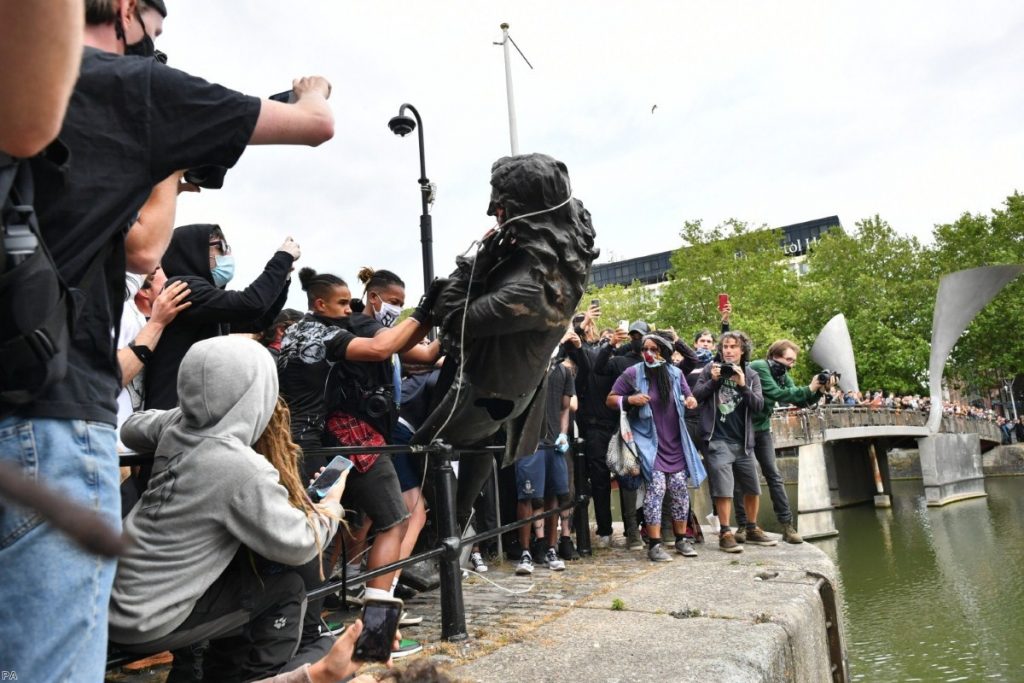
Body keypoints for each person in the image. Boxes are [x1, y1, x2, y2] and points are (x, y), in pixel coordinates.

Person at [0, 1, 335, 676]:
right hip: (53, 416)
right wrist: (311, 90)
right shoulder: (136, 89)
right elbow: (315, 127)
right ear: (129, 10)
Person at [110, 336, 344, 682]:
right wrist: (330, 506)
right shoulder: (241, 467)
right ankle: (259, 677)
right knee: (286, 589)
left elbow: (131, 428)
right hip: (148, 618)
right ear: (258, 392)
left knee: (239, 583)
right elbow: (299, 543)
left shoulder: (178, 428)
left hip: (120, 596)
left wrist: (199, 410)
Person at [276, 267, 441, 656]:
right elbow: (382, 348)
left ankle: (306, 631)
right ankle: (375, 634)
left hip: (297, 443)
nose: (348, 308)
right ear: (319, 303)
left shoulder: (300, 329)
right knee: (393, 520)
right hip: (336, 436)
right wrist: (426, 308)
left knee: (318, 530)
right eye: (341, 302)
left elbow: (406, 348)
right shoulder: (332, 332)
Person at [144, 224, 297, 409]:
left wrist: (283, 279)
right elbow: (251, 304)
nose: (227, 256)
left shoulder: (204, 299)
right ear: (194, 252)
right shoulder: (184, 288)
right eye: (221, 248)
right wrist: (282, 259)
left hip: (185, 411)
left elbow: (258, 320)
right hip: (172, 412)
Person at [607, 334, 705, 561]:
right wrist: (629, 400)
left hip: (675, 442)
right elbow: (611, 399)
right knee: (657, 490)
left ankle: (681, 540)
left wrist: (691, 401)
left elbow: (689, 398)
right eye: (645, 349)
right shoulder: (633, 373)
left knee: (680, 490)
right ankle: (654, 544)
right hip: (648, 443)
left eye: (654, 349)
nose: (649, 354)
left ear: (665, 352)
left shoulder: (675, 373)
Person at [739, 340, 825, 544]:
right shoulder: (760, 366)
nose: (791, 365)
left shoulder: (782, 374)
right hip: (743, 429)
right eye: (788, 360)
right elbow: (776, 394)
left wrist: (819, 390)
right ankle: (744, 526)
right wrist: (810, 387)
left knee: (774, 476)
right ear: (774, 357)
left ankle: (787, 526)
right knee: (746, 478)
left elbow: (800, 400)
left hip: (762, 429)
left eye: (793, 361)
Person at [692, 331, 768, 553]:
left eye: (733, 346)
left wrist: (743, 385)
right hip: (718, 439)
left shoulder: (752, 374)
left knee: (753, 487)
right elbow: (697, 395)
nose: (728, 350)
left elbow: (758, 406)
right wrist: (714, 382)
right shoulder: (710, 370)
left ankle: (751, 528)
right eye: (725, 346)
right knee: (723, 489)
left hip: (744, 442)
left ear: (742, 350)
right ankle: (725, 532)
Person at [514, 354, 575, 575]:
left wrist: (563, 434)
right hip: (529, 442)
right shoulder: (526, 363)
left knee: (555, 495)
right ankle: (525, 551)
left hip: (554, 443)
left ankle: (551, 549)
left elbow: (565, 407)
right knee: (527, 496)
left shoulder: (563, 371)